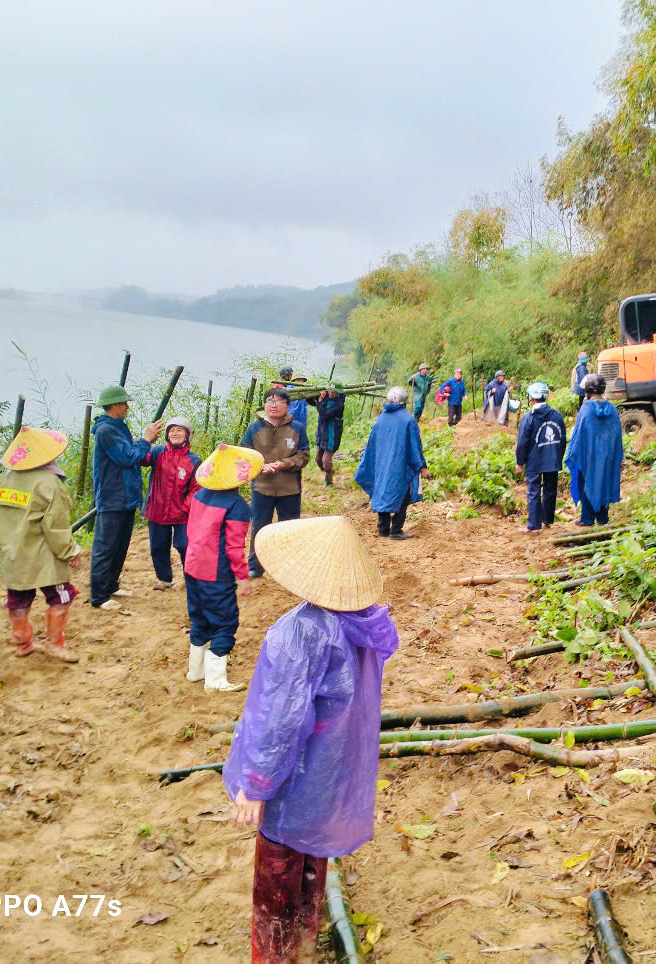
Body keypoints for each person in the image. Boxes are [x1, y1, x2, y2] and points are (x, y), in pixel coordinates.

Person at [227, 515, 398, 964]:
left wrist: (257, 784)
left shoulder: (298, 632)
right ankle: (305, 937)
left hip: (295, 773)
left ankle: (277, 955)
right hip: (332, 770)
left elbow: (280, 720)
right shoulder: (364, 622)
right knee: (310, 858)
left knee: (277, 871)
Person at [0, 427, 83, 663]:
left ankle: (22, 641)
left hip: (13, 553)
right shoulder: (48, 482)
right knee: (62, 597)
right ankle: (54, 643)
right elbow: (56, 527)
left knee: (19, 599)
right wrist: (70, 552)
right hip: (44, 557)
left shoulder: (5, 478)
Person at [184, 444, 261, 691]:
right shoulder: (237, 506)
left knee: (199, 619)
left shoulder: (199, 495)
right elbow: (234, 548)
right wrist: (242, 577)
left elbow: (192, 530)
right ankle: (215, 681)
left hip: (193, 566)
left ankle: (195, 671)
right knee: (226, 622)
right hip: (215, 572)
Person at [89, 385, 161, 611]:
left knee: (120, 545)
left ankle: (111, 585)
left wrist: (141, 443)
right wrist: (146, 440)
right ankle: (99, 596)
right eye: (124, 403)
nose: (127, 407)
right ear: (114, 406)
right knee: (106, 546)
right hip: (112, 497)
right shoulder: (106, 431)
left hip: (126, 496)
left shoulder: (118, 427)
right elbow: (127, 457)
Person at [241, 387, 310, 578]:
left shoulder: (297, 428)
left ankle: (288, 565)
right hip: (262, 487)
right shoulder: (254, 429)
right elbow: (244, 454)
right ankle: (256, 566)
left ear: (287, 406)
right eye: (269, 401)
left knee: (289, 528)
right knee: (259, 527)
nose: (273, 405)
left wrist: (283, 464)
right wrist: (260, 467)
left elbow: (304, 456)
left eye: (279, 401)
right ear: (264, 405)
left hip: (290, 488)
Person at [354, 387, 428, 539]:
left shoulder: (381, 419)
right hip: (401, 465)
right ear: (404, 402)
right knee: (404, 494)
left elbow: (372, 446)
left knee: (382, 491)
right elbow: (415, 445)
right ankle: (396, 530)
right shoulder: (408, 419)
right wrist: (422, 465)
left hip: (382, 465)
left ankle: (383, 529)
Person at [142, 416, 201, 589]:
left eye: (180, 430)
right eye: (172, 430)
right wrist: (143, 441)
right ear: (167, 435)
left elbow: (197, 487)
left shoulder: (193, 460)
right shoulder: (157, 452)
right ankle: (164, 579)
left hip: (182, 513)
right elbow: (140, 459)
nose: (175, 433)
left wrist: (185, 507)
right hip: (156, 509)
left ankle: (190, 578)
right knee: (158, 547)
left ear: (187, 435)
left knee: (184, 545)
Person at [565, 373, 624, 527]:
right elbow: (616, 435)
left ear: (587, 391)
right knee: (604, 482)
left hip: (589, 456)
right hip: (608, 456)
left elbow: (579, 434)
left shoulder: (586, 409)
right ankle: (603, 518)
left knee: (587, 483)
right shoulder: (612, 409)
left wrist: (572, 454)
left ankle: (587, 519)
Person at [514, 382, 567, 534]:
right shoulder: (556, 415)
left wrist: (520, 462)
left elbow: (522, 443)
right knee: (550, 490)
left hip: (534, 460)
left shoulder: (529, 418)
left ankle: (533, 525)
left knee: (534, 491)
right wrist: (558, 456)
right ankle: (547, 520)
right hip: (552, 459)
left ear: (532, 397)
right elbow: (562, 439)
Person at [310, 383, 346, 487]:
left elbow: (325, 414)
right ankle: (329, 470)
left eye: (333, 392)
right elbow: (312, 402)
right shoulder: (326, 397)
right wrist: (316, 397)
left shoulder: (339, 404)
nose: (331, 393)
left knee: (326, 460)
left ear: (338, 393)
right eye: (330, 391)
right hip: (321, 435)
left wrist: (320, 400)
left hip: (332, 436)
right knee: (318, 459)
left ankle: (329, 481)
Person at [274, 366, 310, 430]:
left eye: (302, 380)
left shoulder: (305, 391)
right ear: (286, 376)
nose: (301, 382)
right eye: (298, 380)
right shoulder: (282, 388)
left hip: (302, 421)